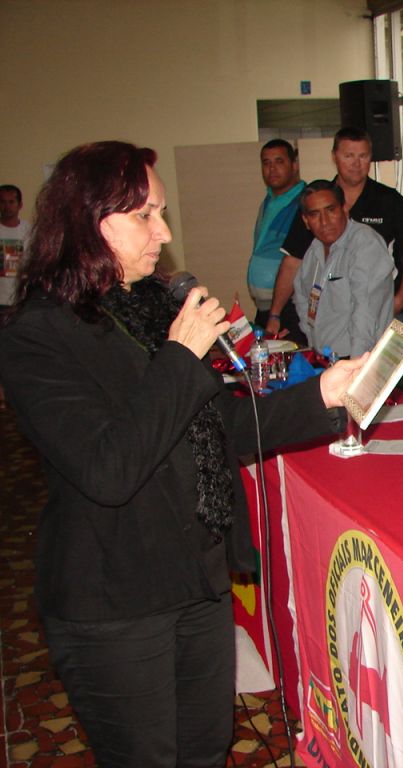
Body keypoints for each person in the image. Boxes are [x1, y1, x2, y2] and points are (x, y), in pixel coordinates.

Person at [0, 142, 366, 767]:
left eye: (162, 213)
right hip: (115, 596)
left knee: (205, 748)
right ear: (90, 220)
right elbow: (109, 469)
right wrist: (179, 355)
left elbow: (220, 423)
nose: (164, 233)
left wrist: (322, 394)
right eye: (144, 215)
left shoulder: (147, 307)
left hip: (195, 577)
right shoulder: (38, 333)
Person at [282, 127, 403, 315]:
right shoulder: (317, 200)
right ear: (334, 157)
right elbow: (293, 260)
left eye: (363, 156)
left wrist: (400, 300)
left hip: (380, 309)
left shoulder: (390, 200)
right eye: (348, 156)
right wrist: (275, 314)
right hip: (331, 312)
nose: (356, 163)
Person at [292, 179, 393, 358]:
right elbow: (301, 298)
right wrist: (312, 343)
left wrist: (356, 364)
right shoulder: (314, 250)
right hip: (325, 357)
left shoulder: (364, 243)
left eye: (331, 210)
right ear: (306, 221)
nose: (324, 222)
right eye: (315, 215)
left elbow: (365, 312)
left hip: (359, 357)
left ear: (344, 209)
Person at [248, 139, 306, 343]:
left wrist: (276, 314)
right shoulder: (268, 202)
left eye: (279, 161)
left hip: (288, 309)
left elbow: (296, 261)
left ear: (294, 165)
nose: (272, 169)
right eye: (266, 163)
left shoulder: (305, 202)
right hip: (266, 308)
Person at [1, 183, 31, 306]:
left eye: (11, 202)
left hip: (22, 300)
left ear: (20, 205)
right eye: (2, 202)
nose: (7, 206)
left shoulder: (30, 231)